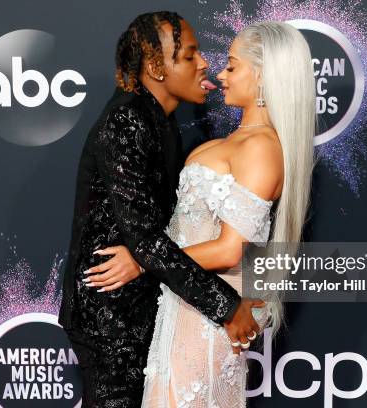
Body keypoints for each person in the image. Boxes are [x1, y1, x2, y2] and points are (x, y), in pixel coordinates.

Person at [87, 21, 316, 407]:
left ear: (262, 77)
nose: (221, 75)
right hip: (183, 306)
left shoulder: (261, 148)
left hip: (208, 316)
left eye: (232, 65)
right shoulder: (231, 143)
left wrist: (143, 261)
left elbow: (230, 250)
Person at [57, 11, 266, 408]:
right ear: (156, 66)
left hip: (138, 309)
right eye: (189, 55)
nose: (205, 63)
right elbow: (147, 240)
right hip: (111, 317)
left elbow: (154, 237)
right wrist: (226, 305)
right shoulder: (126, 122)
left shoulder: (159, 122)